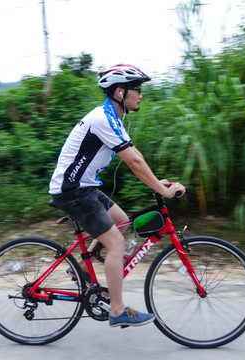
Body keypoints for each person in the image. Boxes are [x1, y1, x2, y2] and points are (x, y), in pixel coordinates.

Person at [48, 64, 186, 328]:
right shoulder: (103, 118)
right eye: (137, 89)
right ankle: (117, 309)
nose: (141, 95)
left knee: (122, 222)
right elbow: (134, 161)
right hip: (73, 190)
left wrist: (158, 182)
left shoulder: (112, 116)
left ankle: (82, 269)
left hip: (84, 186)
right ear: (120, 92)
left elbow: (137, 158)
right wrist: (162, 189)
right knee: (115, 245)